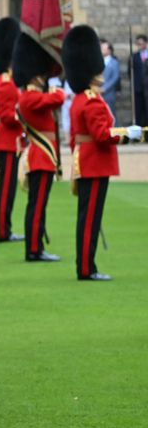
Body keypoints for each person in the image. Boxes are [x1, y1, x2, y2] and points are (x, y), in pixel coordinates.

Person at [64, 25, 143, 281]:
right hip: (95, 163)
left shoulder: (80, 99)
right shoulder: (92, 101)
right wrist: (126, 134)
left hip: (86, 161)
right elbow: (101, 134)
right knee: (90, 220)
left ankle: (86, 265)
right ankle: (87, 268)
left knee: (87, 218)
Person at [13, 33, 66, 262]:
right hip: (40, 156)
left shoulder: (32, 95)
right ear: (34, 76)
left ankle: (36, 246)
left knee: (38, 205)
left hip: (43, 155)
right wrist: (55, 85)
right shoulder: (30, 97)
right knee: (37, 206)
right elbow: (59, 98)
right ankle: (33, 249)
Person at [0, 17, 24, 242]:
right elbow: (7, 115)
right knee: (5, 191)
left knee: (9, 190)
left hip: (12, 142)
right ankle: (3, 231)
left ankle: (6, 229)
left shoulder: (8, 80)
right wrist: (26, 118)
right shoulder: (5, 82)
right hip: (7, 142)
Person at [130, 34, 147, 126]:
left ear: (146, 43)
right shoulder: (134, 57)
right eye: (138, 44)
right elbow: (131, 73)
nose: (139, 46)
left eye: (141, 43)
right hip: (138, 88)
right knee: (138, 112)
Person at [100, 40, 120, 115]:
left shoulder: (114, 62)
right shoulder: (99, 61)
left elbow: (115, 77)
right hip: (99, 91)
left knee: (111, 113)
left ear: (109, 50)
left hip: (109, 93)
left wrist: (105, 88)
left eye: (102, 48)